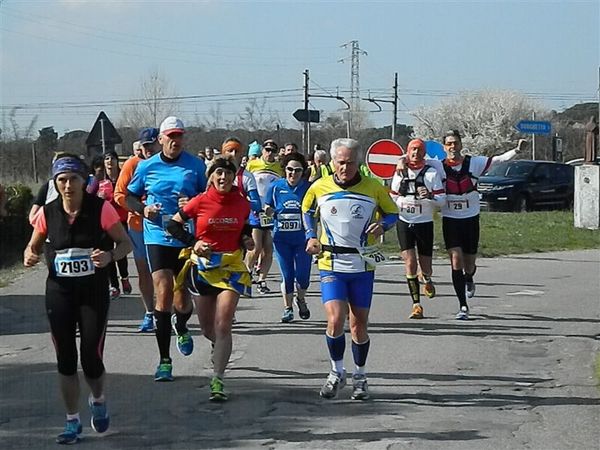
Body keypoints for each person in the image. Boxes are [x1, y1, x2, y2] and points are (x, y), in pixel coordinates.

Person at [24, 156, 132, 444]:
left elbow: (125, 244)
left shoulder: (102, 209)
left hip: (93, 293)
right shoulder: (47, 212)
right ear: (55, 183)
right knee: (66, 359)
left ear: (84, 181)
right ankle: (72, 421)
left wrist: (110, 255)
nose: (68, 185)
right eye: (61, 180)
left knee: (91, 357)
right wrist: (30, 255)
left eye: (73, 179)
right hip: (59, 292)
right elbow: (32, 246)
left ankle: (97, 398)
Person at [302, 138, 398, 401]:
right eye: (340, 163)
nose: (345, 168)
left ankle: (360, 375)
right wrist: (311, 236)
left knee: (358, 325)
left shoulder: (374, 188)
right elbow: (307, 210)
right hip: (330, 263)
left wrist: (383, 226)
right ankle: (336, 372)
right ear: (333, 162)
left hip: (362, 265)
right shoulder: (319, 186)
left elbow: (392, 213)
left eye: (350, 163)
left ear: (359, 163)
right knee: (335, 319)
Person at [126, 116, 207, 381]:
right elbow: (127, 196)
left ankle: (181, 325)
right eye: (170, 136)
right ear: (160, 139)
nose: (175, 140)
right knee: (163, 292)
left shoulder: (196, 166)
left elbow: (210, 199)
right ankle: (164, 361)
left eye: (179, 136)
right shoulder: (147, 166)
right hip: (157, 235)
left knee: (181, 299)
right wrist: (143, 208)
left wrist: (193, 202)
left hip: (184, 236)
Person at [167, 156, 254, 401]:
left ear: (232, 177)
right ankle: (218, 347)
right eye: (218, 173)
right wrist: (194, 244)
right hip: (203, 270)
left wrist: (246, 240)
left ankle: (218, 379)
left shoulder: (241, 203)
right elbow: (172, 226)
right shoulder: (200, 202)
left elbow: (243, 228)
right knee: (207, 329)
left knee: (223, 323)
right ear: (211, 177)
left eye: (227, 173)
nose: (223, 178)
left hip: (231, 268)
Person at [437, 130, 527, 319]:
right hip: (450, 219)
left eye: (456, 143)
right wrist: (401, 162)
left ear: (461, 144)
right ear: (444, 147)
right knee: (456, 260)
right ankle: (463, 306)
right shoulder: (438, 166)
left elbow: (498, 160)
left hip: (470, 218)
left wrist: (517, 151)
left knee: (469, 263)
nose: (453, 147)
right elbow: (415, 159)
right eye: (449, 144)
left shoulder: (474, 163)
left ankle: (469, 277)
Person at [390, 139, 445, 319]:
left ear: (424, 153)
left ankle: (427, 279)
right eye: (412, 149)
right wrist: (400, 203)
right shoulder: (400, 171)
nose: (415, 153)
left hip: (424, 222)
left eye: (419, 150)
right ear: (408, 151)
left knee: (426, 266)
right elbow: (393, 194)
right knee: (410, 262)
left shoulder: (431, 173)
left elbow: (442, 200)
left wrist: (429, 196)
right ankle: (416, 305)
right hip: (404, 220)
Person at [114, 127, 159, 332]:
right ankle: (150, 313)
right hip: (138, 226)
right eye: (145, 146)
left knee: (165, 271)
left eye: (152, 145)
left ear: (160, 143)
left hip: (164, 227)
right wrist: (140, 208)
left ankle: (168, 312)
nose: (148, 149)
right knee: (143, 271)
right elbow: (119, 194)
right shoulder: (133, 164)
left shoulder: (169, 164)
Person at [265, 152, 312, 322]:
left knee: (303, 277)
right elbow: (267, 206)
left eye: (298, 171)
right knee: (287, 275)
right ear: (285, 170)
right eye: (290, 170)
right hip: (281, 239)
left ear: (303, 172)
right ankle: (288, 308)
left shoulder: (308, 188)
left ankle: (301, 299)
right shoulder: (276, 187)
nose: (293, 174)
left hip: (302, 240)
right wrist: (268, 211)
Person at [245, 139, 283, 294]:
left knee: (268, 249)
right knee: (255, 246)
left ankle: (262, 280)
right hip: (256, 210)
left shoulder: (279, 167)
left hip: (270, 212)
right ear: (262, 151)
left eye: (273, 151)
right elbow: (245, 183)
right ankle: (246, 274)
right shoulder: (253, 164)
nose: (269, 153)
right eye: (267, 150)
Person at [98, 151, 131, 300]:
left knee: (121, 251)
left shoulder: (123, 178)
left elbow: (131, 194)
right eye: (106, 159)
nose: (109, 161)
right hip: (105, 222)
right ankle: (114, 285)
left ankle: (124, 277)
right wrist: (98, 197)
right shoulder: (99, 179)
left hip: (121, 220)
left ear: (117, 161)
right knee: (107, 252)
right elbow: (88, 195)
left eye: (112, 158)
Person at [220, 137, 262, 213]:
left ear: (241, 154)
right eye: (230, 151)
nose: (233, 154)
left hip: (239, 221)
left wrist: (240, 201)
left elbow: (257, 205)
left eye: (236, 151)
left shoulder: (247, 176)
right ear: (223, 153)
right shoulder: (216, 175)